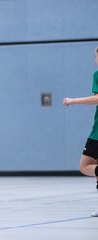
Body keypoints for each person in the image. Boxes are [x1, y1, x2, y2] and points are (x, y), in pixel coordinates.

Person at [62, 47, 98, 217]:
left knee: (84, 166)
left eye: (96, 55)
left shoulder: (97, 74)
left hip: (97, 133)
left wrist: (74, 100)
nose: (95, 59)